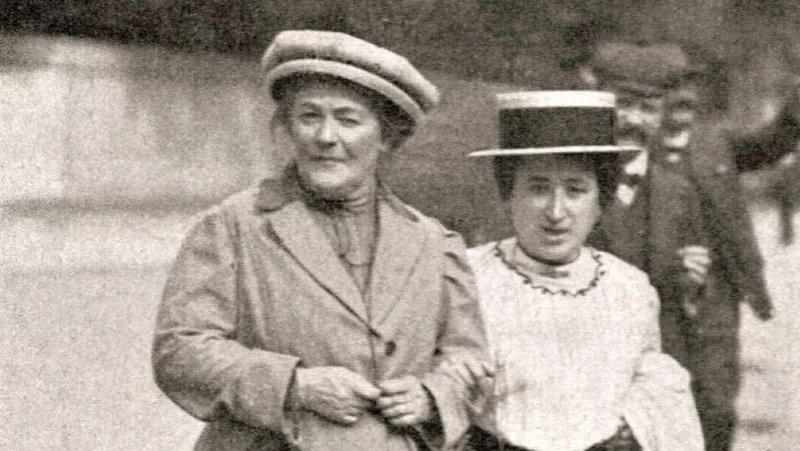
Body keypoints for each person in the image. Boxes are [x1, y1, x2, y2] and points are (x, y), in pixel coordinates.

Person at [152, 30, 488, 451]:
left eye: (348, 120)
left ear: (386, 137)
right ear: (288, 127)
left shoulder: (434, 242)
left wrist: (431, 396)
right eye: (309, 116)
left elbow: (469, 360)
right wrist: (296, 386)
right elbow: (179, 352)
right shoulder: (234, 226)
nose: (326, 137)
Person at [457, 90, 704, 451]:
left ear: (600, 200)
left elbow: (656, 383)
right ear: (508, 194)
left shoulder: (628, 289)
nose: (556, 212)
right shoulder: (467, 277)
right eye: (538, 188)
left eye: (575, 190)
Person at [576, 41, 774, 451]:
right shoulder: (568, 186)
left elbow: (683, 300)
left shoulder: (677, 191)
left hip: (657, 371)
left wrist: (689, 281)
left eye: (648, 109)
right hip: (582, 371)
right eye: (622, 105)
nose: (634, 120)